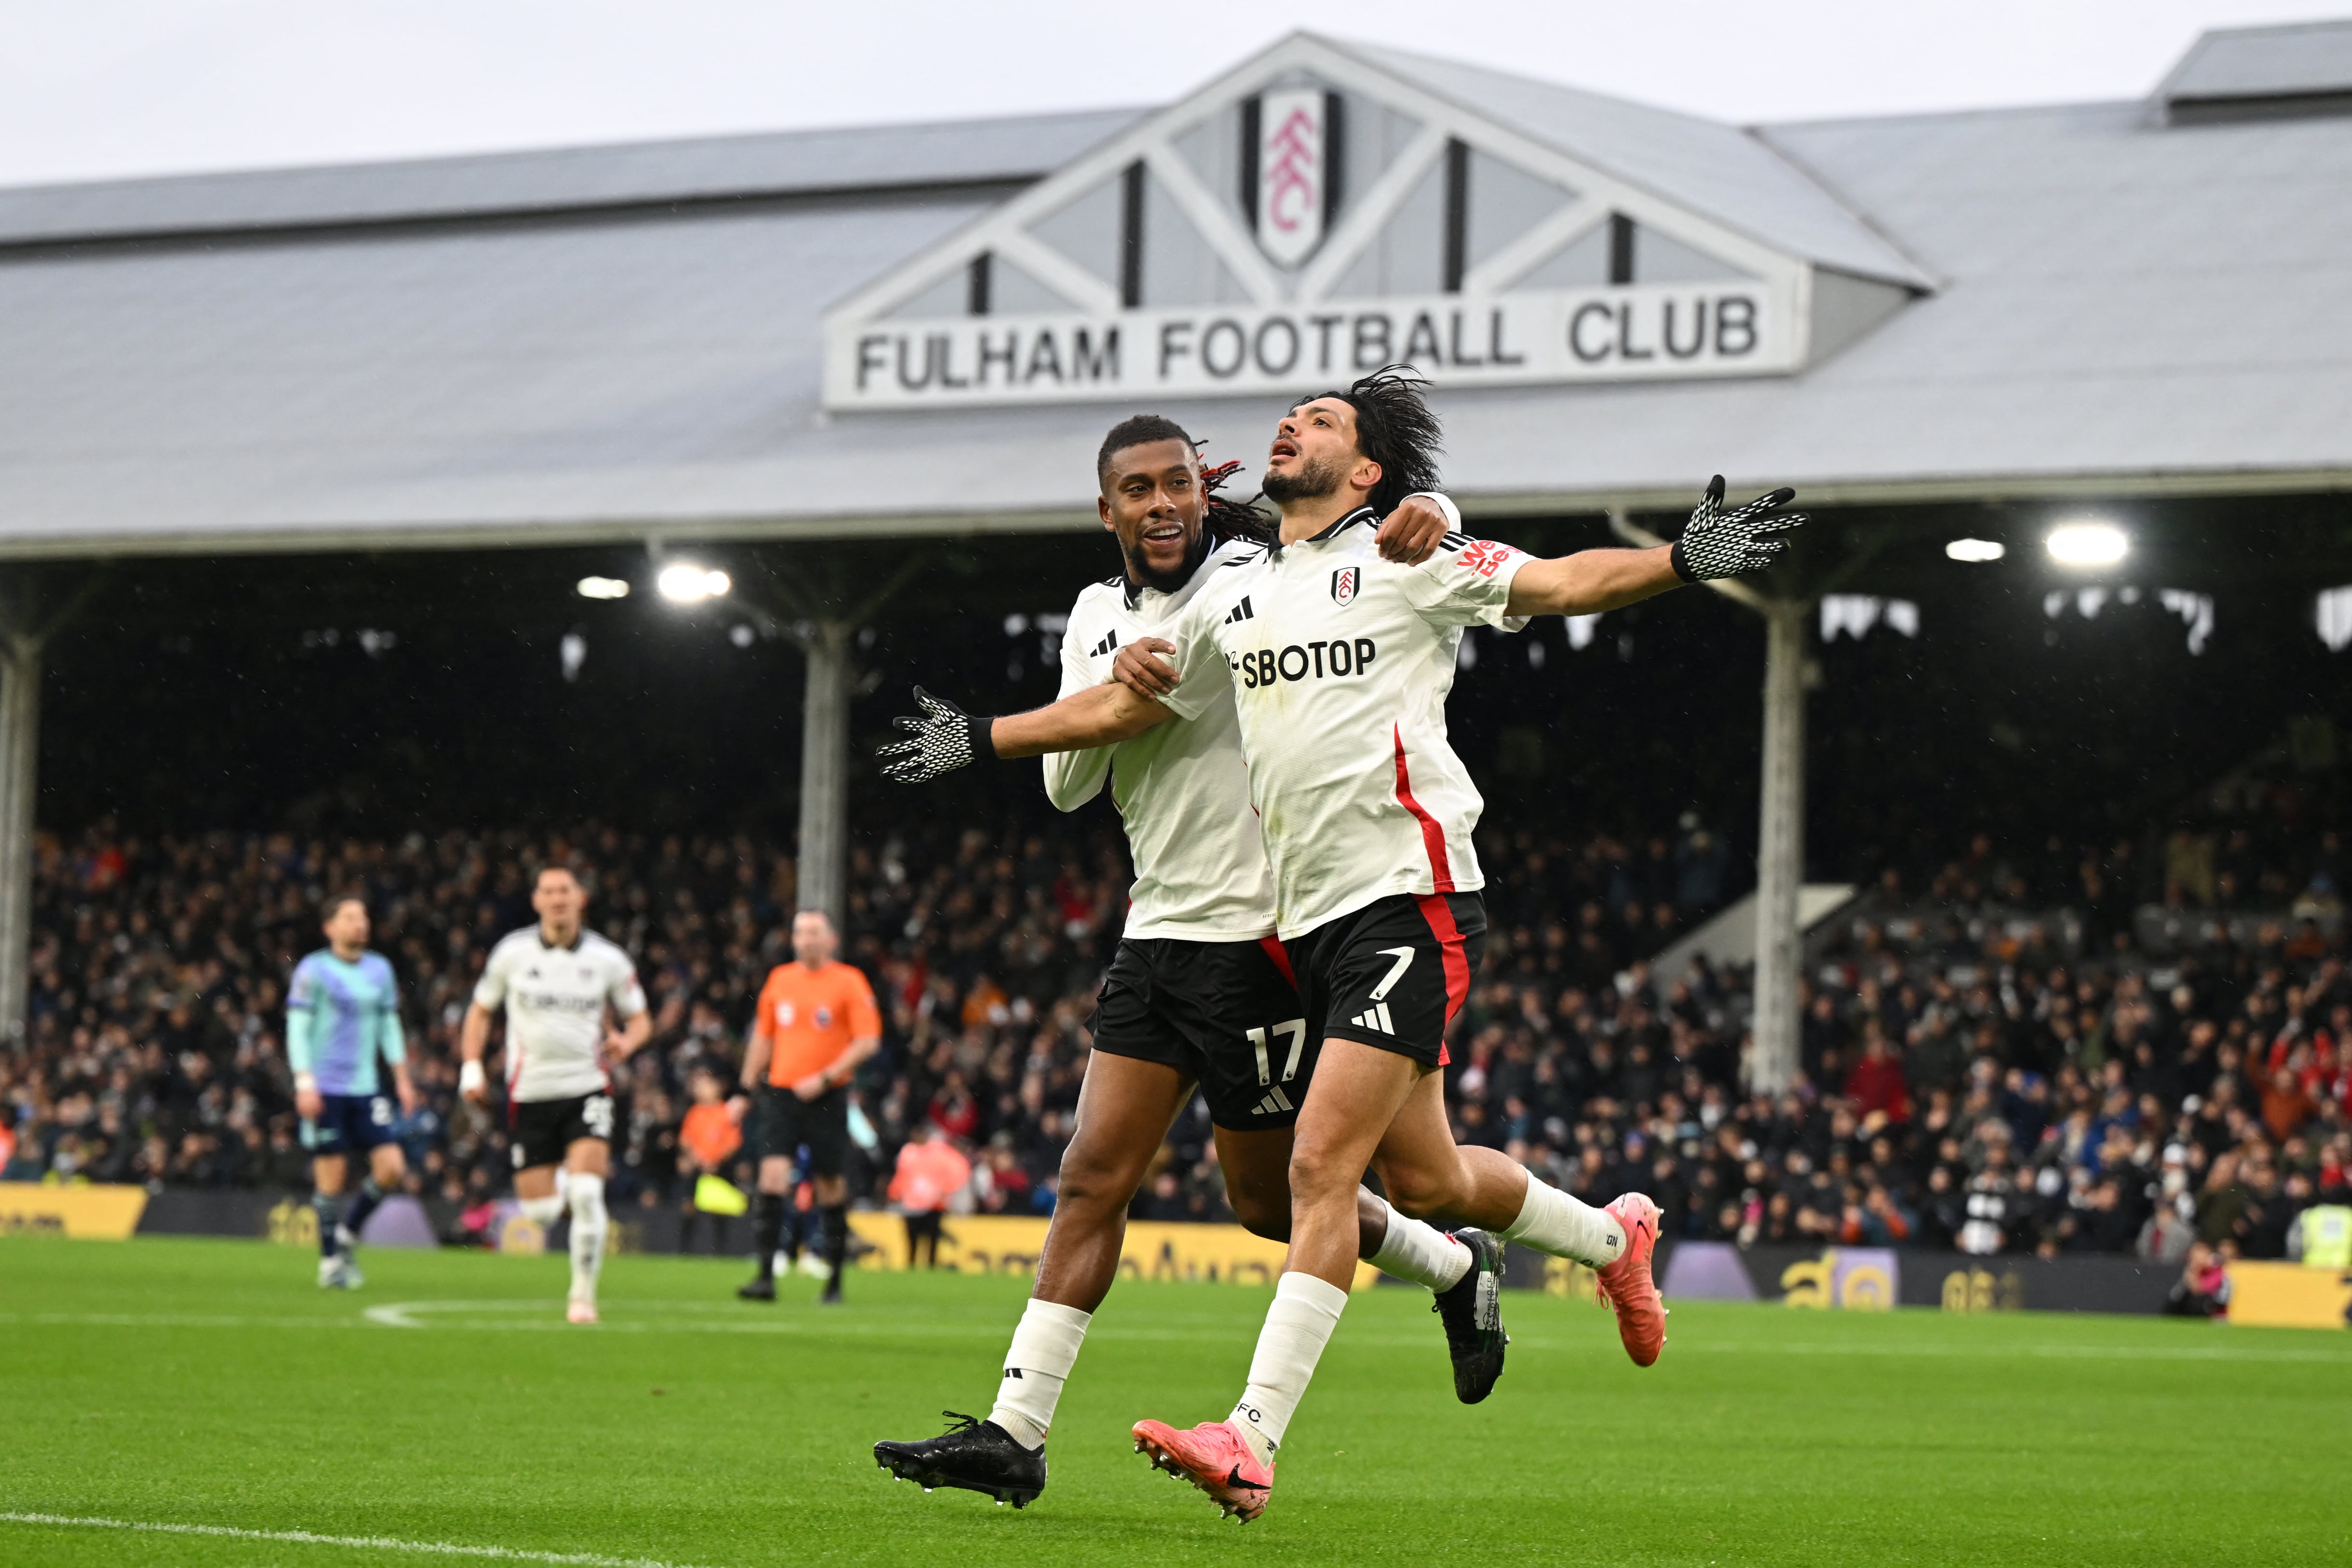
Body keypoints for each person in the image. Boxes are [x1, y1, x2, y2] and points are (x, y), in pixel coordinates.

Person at [882, 367, 1804, 1519]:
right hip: (1310, 922)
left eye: (1318, 421)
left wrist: (1678, 558)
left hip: (1407, 899)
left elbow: (1559, 580)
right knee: (1427, 1176)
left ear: (1366, 470)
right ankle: (1610, 1234)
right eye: (1289, 417)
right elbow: (1124, 716)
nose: (1289, 423)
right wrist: (998, 727)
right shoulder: (1240, 592)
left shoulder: (1412, 557)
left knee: (1317, 1171)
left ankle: (1251, 1437)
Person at [871, 415, 1501, 1511]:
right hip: (1155, 930)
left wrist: (1438, 509)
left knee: (1277, 1201)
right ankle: (1017, 1431)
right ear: (1106, 509)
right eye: (1137, 489)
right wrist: (1114, 683)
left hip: (1259, 939)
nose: (1162, 503)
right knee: (1089, 1173)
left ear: (1205, 497)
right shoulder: (1095, 614)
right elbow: (1070, 790)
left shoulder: (1257, 576)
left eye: (1177, 484)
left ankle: (1450, 1261)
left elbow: (1374, 540)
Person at [459, 864, 651, 1324]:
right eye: (549, 891)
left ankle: (582, 1296)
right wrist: (471, 1068)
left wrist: (627, 1041)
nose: (558, 898)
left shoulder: (608, 959)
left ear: (581, 898)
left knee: (587, 1192)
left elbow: (642, 1019)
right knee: (543, 1214)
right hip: (529, 1093)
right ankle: (566, 1187)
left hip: (587, 1086)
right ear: (536, 900)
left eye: (565, 890)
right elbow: (480, 1012)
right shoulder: (512, 953)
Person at [734, 909, 880, 1306]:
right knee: (771, 1177)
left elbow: (868, 1040)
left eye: (814, 932)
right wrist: (744, 1089)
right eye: (800, 932)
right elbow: (763, 1037)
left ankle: (833, 1280)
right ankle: (765, 1276)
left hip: (828, 1097)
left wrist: (827, 1077)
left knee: (829, 1183)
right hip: (781, 1093)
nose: (806, 939)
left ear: (831, 940)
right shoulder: (781, 980)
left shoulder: (848, 981)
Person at [286, 896, 417, 1289]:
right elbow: (297, 1028)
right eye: (349, 918)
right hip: (325, 1088)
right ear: (330, 928)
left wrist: (403, 1077)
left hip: (365, 1087)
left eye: (363, 917)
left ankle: (347, 1234)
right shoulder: (314, 970)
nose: (360, 924)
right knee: (332, 1178)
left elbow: (388, 1025)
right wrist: (304, 1082)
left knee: (392, 1167)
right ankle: (329, 1263)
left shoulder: (380, 969)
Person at [678, 1067, 746, 1256]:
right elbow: (686, 1141)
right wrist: (698, 1159)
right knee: (689, 1206)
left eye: (705, 1085)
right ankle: (685, 1251)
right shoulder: (694, 1113)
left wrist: (716, 1161)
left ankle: (720, 1252)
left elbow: (733, 1143)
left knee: (719, 1209)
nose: (700, 1090)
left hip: (720, 1168)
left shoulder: (726, 1112)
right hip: (698, 1167)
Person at [889, 1122, 971, 1269]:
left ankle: (926, 1266)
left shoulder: (926, 1154)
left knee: (929, 1238)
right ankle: (915, 1265)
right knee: (916, 1239)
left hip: (932, 1203)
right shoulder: (911, 1153)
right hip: (916, 1203)